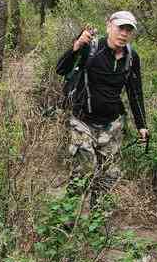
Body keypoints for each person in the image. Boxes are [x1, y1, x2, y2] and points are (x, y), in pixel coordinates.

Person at [56, 11, 149, 205]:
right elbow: (61, 69)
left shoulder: (132, 57)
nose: (123, 33)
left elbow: (135, 93)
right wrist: (76, 46)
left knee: (109, 174)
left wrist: (142, 125)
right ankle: (67, 217)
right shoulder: (91, 48)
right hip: (83, 120)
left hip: (111, 125)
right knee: (85, 170)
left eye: (128, 30)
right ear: (109, 26)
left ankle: (97, 220)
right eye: (120, 28)